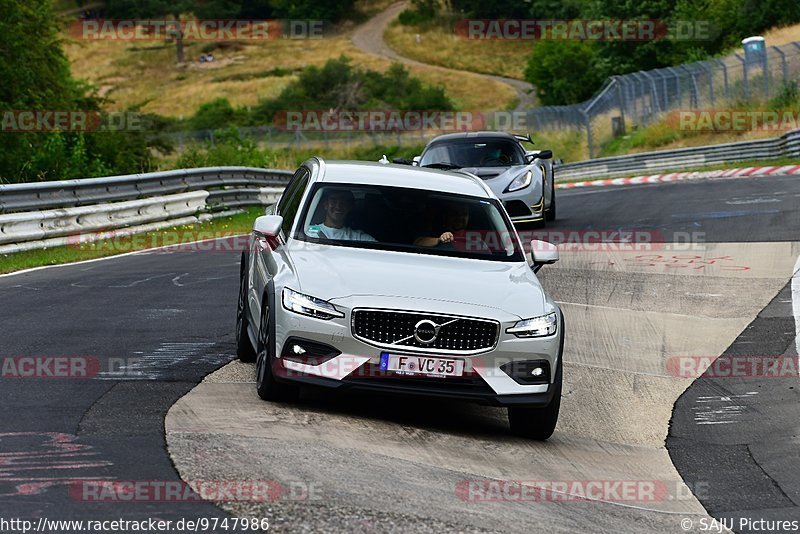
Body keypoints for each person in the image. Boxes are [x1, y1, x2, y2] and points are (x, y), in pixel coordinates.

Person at [306, 189, 376, 242]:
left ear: (349, 207)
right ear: (326, 205)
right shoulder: (309, 231)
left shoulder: (358, 237)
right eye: (333, 201)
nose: (338, 206)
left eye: (343, 202)